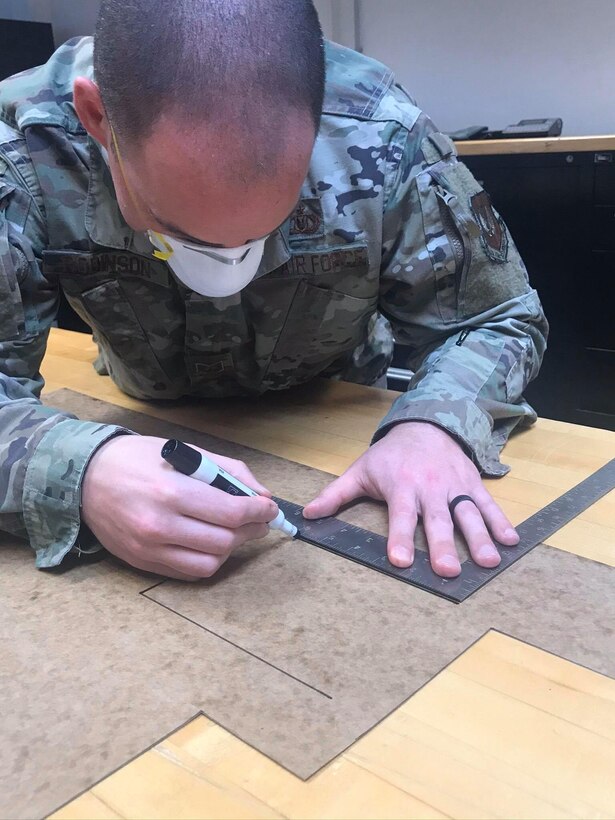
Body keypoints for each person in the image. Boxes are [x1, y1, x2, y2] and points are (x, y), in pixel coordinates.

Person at [0, 0, 547, 581]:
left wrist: (434, 427)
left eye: (269, 227)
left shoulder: (379, 133)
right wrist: (77, 471)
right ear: (96, 118)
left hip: (335, 418)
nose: (227, 267)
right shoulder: (25, 149)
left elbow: (497, 316)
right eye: (177, 230)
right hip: (144, 414)